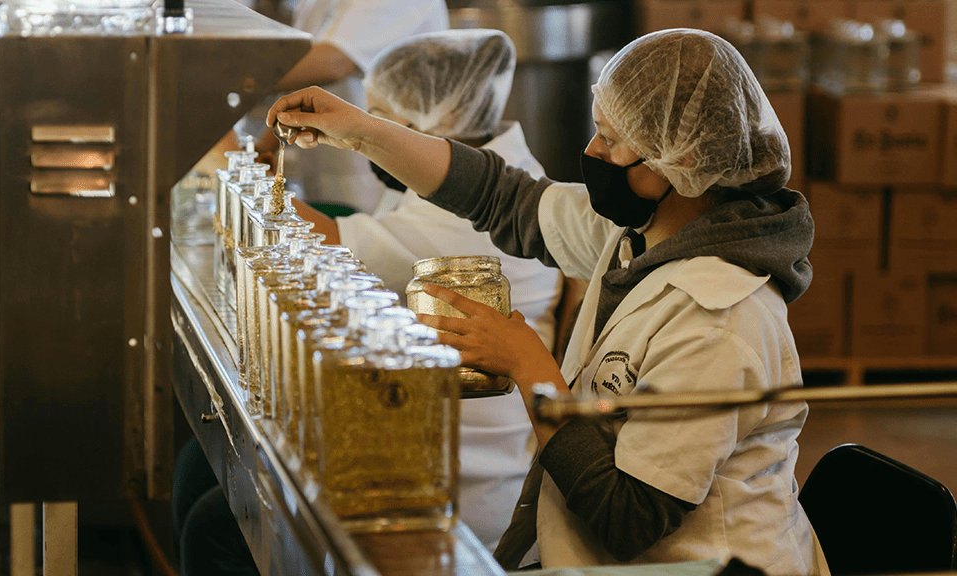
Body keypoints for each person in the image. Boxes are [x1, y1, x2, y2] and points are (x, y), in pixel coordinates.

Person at [267, 28, 826, 574]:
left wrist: (529, 366)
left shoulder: (720, 318)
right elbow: (501, 197)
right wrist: (365, 132)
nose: (591, 152)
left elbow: (628, 518)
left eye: (609, 139)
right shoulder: (644, 232)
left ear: (675, 163)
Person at [290, 28, 562, 551]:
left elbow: (314, 242)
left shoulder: (468, 217)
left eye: (378, 121)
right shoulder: (490, 167)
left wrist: (220, 155)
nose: (367, 136)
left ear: (439, 120)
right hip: (426, 444)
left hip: (462, 487)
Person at [253, 0, 449, 213]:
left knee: (365, 237)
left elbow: (333, 62)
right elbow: (303, 80)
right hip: (326, 161)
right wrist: (267, 144)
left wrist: (232, 78)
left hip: (375, 172)